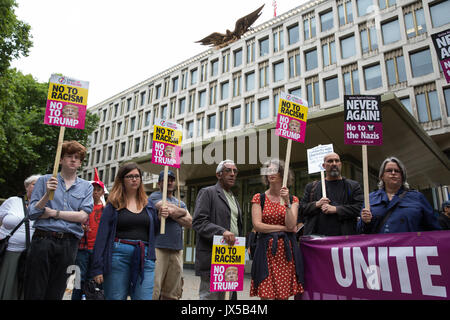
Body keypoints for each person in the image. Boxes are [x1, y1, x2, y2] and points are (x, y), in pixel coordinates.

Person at [25, 141, 93, 300]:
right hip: (43, 239)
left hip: (68, 243)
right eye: (69, 156)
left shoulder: (86, 187)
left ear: (81, 163)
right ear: (61, 160)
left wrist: (53, 213)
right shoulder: (44, 180)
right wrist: (46, 194)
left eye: (77, 157)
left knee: (57, 290)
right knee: (34, 288)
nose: (73, 160)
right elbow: (32, 213)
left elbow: (83, 216)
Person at [91, 162, 163, 300]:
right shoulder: (113, 205)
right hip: (117, 256)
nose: (134, 179)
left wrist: (160, 218)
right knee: (116, 297)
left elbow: (155, 233)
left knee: (144, 297)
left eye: (137, 176)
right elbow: (101, 237)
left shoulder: (149, 206)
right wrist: (97, 268)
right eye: (130, 176)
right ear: (122, 179)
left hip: (145, 256)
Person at [250, 159, 304, 300]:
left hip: (285, 252)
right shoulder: (258, 198)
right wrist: (282, 228)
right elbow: (257, 225)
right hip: (265, 250)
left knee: (283, 295)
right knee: (266, 295)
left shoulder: (293, 199)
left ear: (282, 174)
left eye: (274, 170)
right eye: (268, 171)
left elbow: (291, 224)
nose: (270, 173)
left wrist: (286, 202)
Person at [192, 159, 243, 300]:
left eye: (235, 171)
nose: (232, 174)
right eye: (228, 170)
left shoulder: (234, 198)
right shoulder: (208, 192)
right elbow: (199, 222)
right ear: (218, 175)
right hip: (213, 257)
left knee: (228, 298)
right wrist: (222, 232)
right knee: (211, 298)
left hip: (231, 256)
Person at [358, 157, 442, 233]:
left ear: (402, 176)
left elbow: (434, 229)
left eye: (397, 171)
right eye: (389, 170)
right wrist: (365, 222)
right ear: (382, 176)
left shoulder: (417, 197)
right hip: (381, 248)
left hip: (409, 247)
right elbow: (360, 231)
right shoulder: (370, 198)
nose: (393, 173)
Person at [150, 169, 192, 300]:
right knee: (154, 290)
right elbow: (166, 208)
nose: (170, 182)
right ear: (159, 183)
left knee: (173, 292)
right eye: (166, 180)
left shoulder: (180, 202)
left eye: (172, 180)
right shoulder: (153, 197)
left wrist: (173, 212)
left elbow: (190, 222)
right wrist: (182, 212)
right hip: (158, 248)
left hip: (177, 250)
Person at [301, 152, 364, 236]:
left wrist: (336, 209)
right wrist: (316, 204)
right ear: (323, 166)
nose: (334, 164)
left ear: (340, 164)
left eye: (337, 161)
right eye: (330, 161)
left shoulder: (353, 186)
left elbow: (359, 208)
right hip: (317, 240)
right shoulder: (312, 187)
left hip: (345, 239)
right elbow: (301, 209)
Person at [0, 175, 40, 300]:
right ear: (26, 186)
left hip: (30, 255)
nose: (37, 186)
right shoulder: (12, 201)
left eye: (40, 185)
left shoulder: (44, 206)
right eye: (34, 184)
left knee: (22, 288)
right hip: (9, 251)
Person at [71, 178, 105, 300]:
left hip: (97, 251)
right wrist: (80, 227)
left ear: (102, 192)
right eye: (93, 189)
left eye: (98, 189)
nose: (95, 192)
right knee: (79, 279)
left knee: (94, 280)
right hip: (82, 248)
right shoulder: (82, 207)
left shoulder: (106, 209)